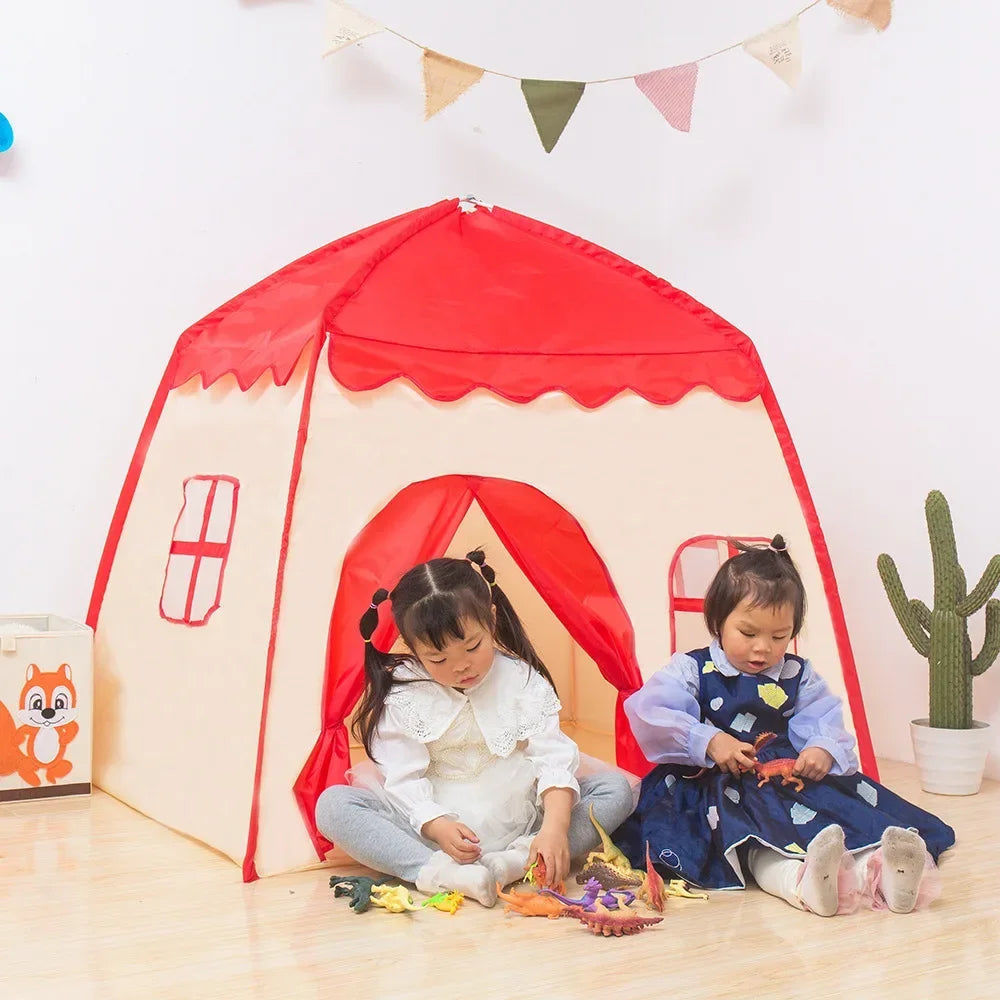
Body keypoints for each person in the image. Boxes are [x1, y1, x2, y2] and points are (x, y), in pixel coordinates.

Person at [616, 536, 955, 915]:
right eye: (748, 634)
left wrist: (821, 748)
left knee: (838, 822)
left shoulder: (798, 674)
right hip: (713, 786)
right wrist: (708, 740)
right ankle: (802, 884)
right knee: (757, 842)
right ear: (718, 621)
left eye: (780, 637)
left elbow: (824, 717)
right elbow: (650, 711)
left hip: (784, 781)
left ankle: (884, 871)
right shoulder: (692, 668)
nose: (763, 648)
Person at [315, 550, 635, 907]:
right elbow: (402, 777)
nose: (461, 667)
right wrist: (436, 824)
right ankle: (437, 871)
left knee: (615, 789)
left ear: (492, 620)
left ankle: (517, 861)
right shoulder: (405, 692)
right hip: (436, 829)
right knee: (332, 805)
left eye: (473, 646)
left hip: (523, 818)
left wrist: (555, 828)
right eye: (437, 659)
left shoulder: (520, 678)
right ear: (413, 649)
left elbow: (552, 758)